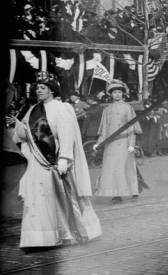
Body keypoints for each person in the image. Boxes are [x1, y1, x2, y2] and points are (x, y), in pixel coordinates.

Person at [12, 72, 102, 249]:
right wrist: (18, 126)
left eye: (43, 87)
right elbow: (22, 137)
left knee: (60, 199)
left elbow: (67, 136)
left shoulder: (62, 109)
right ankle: (38, 239)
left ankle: (67, 234)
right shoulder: (32, 110)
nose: (38, 90)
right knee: (37, 200)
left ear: (52, 90)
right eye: (37, 87)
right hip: (37, 163)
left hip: (55, 162)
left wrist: (64, 159)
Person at [93, 79, 143, 204]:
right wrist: (99, 143)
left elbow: (131, 128)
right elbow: (104, 129)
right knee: (111, 168)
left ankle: (130, 190)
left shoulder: (128, 108)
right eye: (115, 92)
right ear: (111, 94)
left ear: (123, 94)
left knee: (124, 168)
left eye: (119, 92)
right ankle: (115, 193)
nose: (117, 95)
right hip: (110, 145)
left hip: (124, 143)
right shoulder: (107, 110)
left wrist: (131, 144)